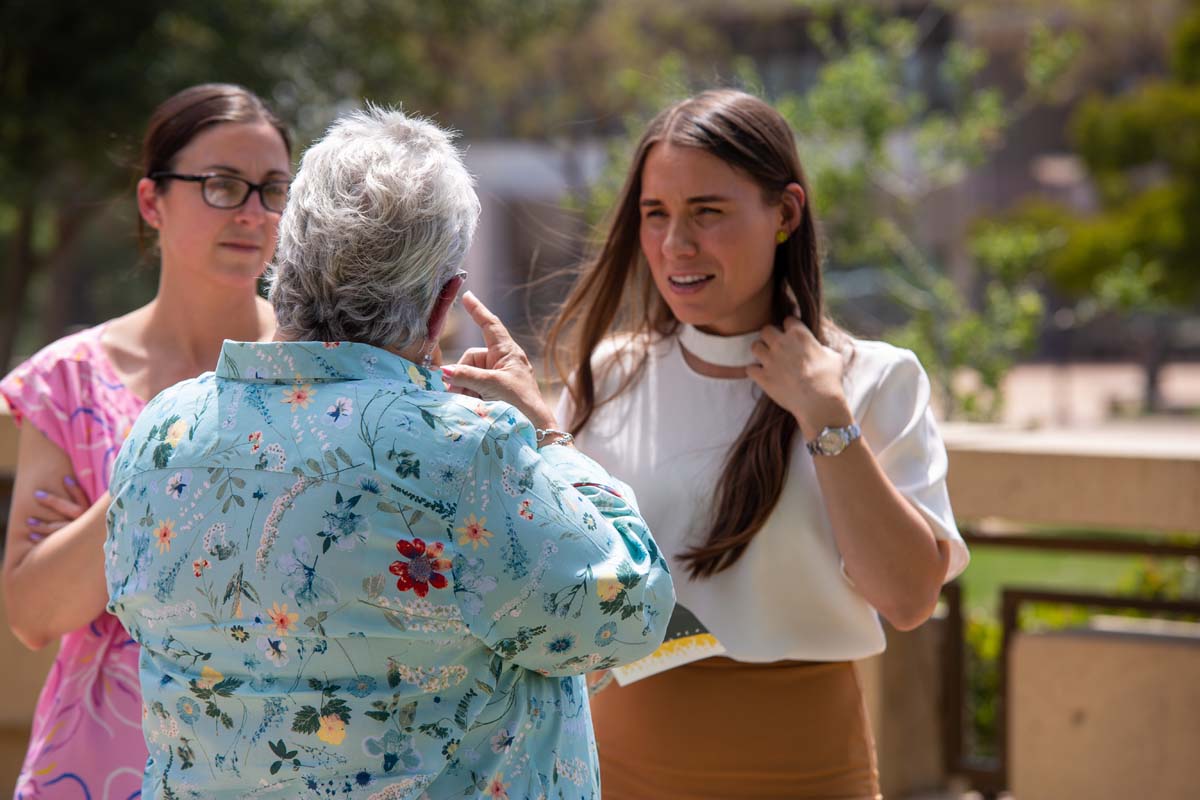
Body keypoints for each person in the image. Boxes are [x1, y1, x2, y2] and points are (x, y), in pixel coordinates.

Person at [103, 106, 674, 800]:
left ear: (287, 260)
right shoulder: (463, 454)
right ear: (443, 306)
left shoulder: (160, 434)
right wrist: (547, 435)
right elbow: (632, 610)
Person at [547, 89, 971, 799]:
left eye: (707, 212)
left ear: (786, 213)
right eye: (657, 215)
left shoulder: (875, 380)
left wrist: (824, 413)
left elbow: (905, 598)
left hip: (810, 771)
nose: (676, 244)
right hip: (618, 767)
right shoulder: (610, 377)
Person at [1, 83, 289, 799]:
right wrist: (163, 462)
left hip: (284, 759)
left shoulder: (320, 366)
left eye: (273, 189)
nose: (253, 213)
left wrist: (102, 547)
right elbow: (35, 614)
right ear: (151, 202)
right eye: (222, 185)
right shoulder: (68, 379)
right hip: (101, 766)